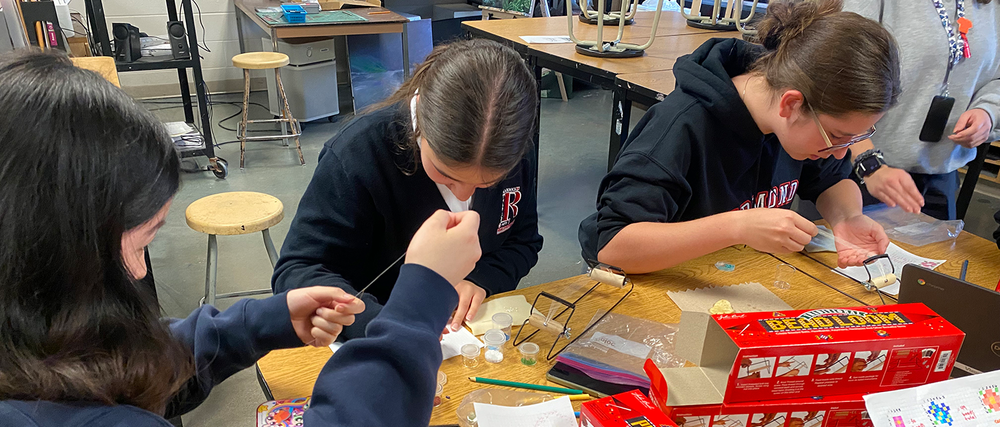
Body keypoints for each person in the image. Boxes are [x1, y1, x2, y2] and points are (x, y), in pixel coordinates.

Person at [0, 50, 483, 427]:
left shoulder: (27, 350)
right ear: (54, 259)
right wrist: (421, 300)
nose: (143, 269)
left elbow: (114, 362)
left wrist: (258, 323)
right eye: (144, 240)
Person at [578, 0, 899, 273]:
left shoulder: (796, 125)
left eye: (854, 139)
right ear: (791, 104)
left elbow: (831, 181)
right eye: (836, 136)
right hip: (653, 281)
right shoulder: (681, 126)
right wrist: (737, 227)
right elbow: (613, 244)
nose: (841, 153)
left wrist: (847, 218)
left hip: (732, 275)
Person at [273, 39, 543, 338]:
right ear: (420, 128)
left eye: (487, 183)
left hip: (467, 337)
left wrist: (482, 279)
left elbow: (523, 240)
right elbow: (298, 270)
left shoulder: (508, 148)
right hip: (374, 338)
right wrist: (386, 323)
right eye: (445, 174)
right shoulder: (358, 155)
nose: (466, 195)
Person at [843, 0, 999, 221]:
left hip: (940, 174)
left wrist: (988, 111)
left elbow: (997, 78)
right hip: (858, 167)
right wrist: (868, 163)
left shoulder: (992, 7)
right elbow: (837, 78)